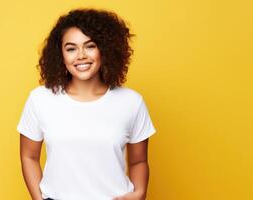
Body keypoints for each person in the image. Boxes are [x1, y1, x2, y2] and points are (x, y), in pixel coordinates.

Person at [17, 8, 157, 200]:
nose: (81, 55)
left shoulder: (131, 102)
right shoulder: (40, 99)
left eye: (90, 46)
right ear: (61, 55)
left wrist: (139, 193)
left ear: (104, 50)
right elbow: (29, 156)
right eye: (71, 48)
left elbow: (139, 161)